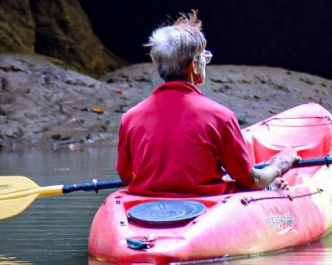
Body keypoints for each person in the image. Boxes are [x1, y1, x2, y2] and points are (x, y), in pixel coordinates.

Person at [116, 11, 298, 196]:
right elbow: (250, 181)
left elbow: (126, 176)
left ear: (158, 67)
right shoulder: (221, 117)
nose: (206, 62)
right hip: (207, 206)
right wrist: (277, 167)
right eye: (204, 57)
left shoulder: (130, 118)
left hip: (148, 208)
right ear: (194, 65)